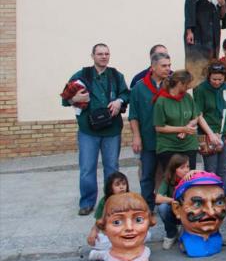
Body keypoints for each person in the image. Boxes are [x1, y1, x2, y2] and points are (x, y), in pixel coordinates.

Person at [63, 43, 130, 216]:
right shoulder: (81, 75)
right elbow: (65, 99)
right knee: (87, 168)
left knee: (112, 168)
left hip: (112, 130)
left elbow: (126, 94)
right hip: (88, 130)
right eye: (100, 54)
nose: (104, 56)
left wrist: (119, 101)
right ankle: (87, 202)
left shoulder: (116, 76)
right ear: (92, 56)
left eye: (107, 53)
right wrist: (74, 98)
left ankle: (112, 202)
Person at [127, 51, 171, 210]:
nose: (168, 69)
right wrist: (136, 137)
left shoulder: (172, 86)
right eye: (164, 66)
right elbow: (133, 115)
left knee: (170, 175)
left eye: (169, 65)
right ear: (153, 67)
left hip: (169, 140)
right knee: (147, 176)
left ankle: (169, 208)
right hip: (148, 139)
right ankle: (147, 208)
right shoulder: (139, 88)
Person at [155, 69, 209, 174]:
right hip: (168, 146)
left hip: (189, 144)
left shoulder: (188, 97)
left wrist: (188, 127)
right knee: (172, 178)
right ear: (180, 83)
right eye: (187, 84)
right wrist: (182, 129)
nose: (189, 87)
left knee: (189, 176)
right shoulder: (161, 101)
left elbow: (196, 116)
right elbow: (159, 127)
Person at [193, 62, 226, 188]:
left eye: (220, 79)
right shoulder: (201, 89)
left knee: (223, 168)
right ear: (209, 76)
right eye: (214, 79)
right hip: (209, 134)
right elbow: (199, 115)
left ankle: (222, 198)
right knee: (211, 169)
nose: (217, 82)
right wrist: (210, 134)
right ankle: (211, 197)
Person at [183, 0, 226, 80]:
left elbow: (222, 16)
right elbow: (189, 7)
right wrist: (189, 31)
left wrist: (223, 3)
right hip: (199, 33)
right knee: (198, 65)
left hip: (214, 35)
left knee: (212, 65)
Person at [85, 171, 129, 261]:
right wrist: (93, 232)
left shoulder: (131, 199)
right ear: (110, 188)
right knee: (95, 241)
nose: (121, 187)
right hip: (111, 236)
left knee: (147, 235)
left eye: (124, 184)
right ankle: (124, 250)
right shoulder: (104, 201)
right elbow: (99, 221)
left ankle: (103, 254)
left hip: (129, 233)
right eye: (117, 185)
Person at [155, 154, 190, 250]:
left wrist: (195, 171)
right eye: (182, 167)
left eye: (188, 166)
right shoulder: (168, 179)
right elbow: (157, 198)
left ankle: (187, 232)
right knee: (162, 207)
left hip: (189, 213)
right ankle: (171, 233)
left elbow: (204, 174)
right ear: (174, 169)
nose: (186, 170)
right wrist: (173, 200)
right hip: (175, 211)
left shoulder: (191, 177)